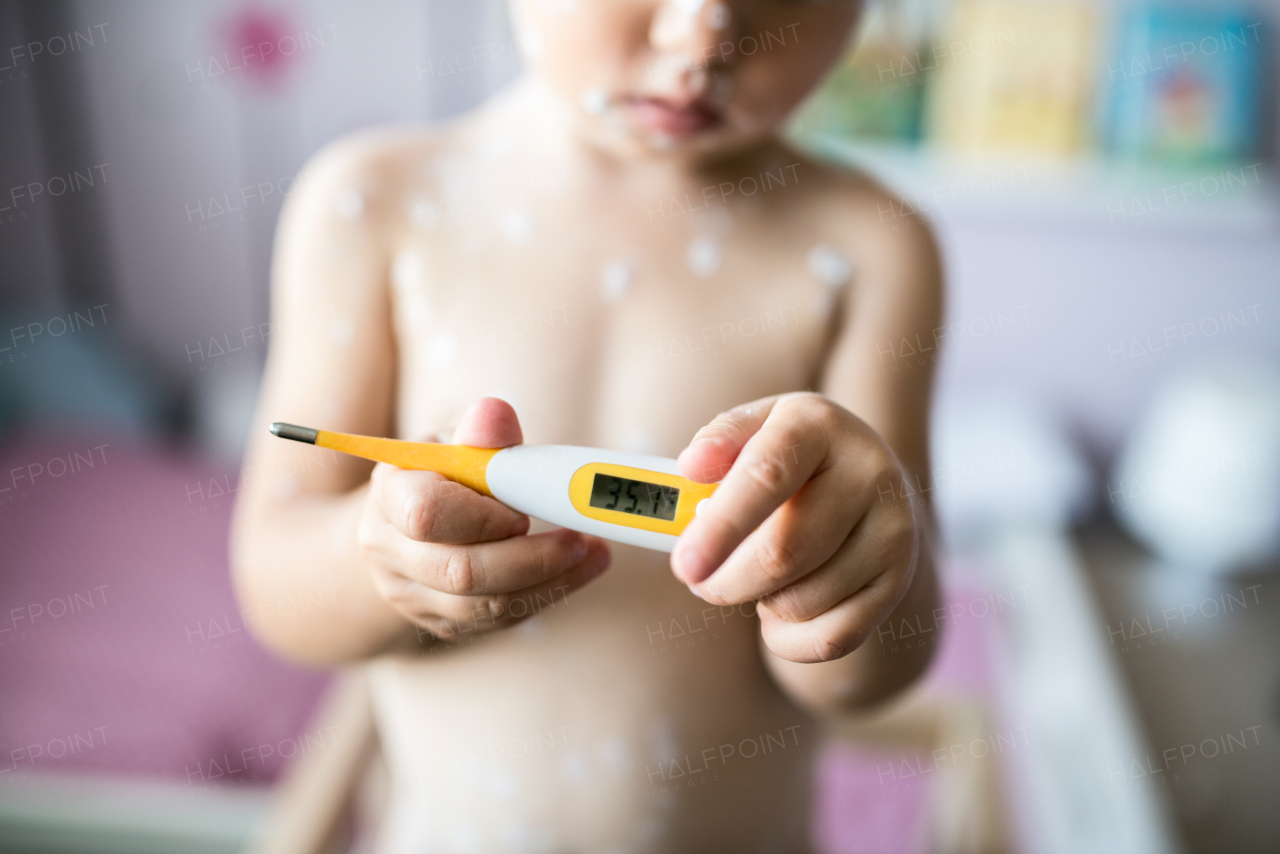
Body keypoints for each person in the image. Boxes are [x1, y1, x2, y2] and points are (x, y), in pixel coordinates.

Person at [231, 0, 942, 849]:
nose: (704, 34)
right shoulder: (372, 206)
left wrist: (854, 583)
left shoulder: (872, 248)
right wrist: (379, 558)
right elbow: (276, 584)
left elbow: (876, 674)